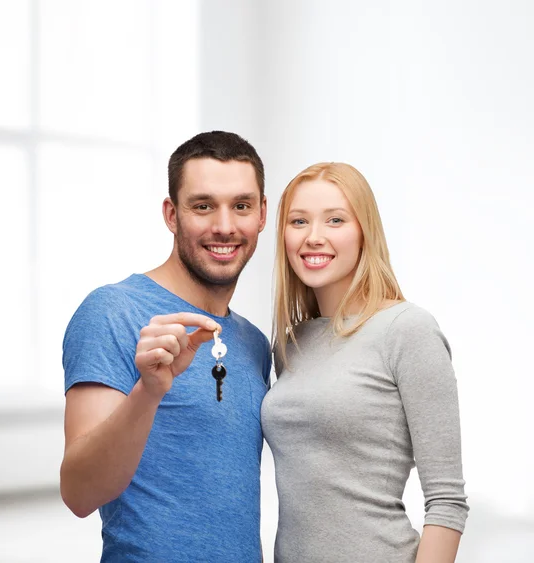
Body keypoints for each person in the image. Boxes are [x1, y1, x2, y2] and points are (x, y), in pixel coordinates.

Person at [60, 131, 271, 562]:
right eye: (203, 206)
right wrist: (150, 390)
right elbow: (79, 493)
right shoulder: (113, 311)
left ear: (262, 214)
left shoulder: (255, 343)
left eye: (241, 206)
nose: (225, 226)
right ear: (172, 215)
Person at [261, 162, 468, 562]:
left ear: (364, 232)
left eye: (335, 220)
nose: (313, 237)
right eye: (298, 221)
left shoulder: (408, 329)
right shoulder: (291, 344)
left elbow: (447, 500)